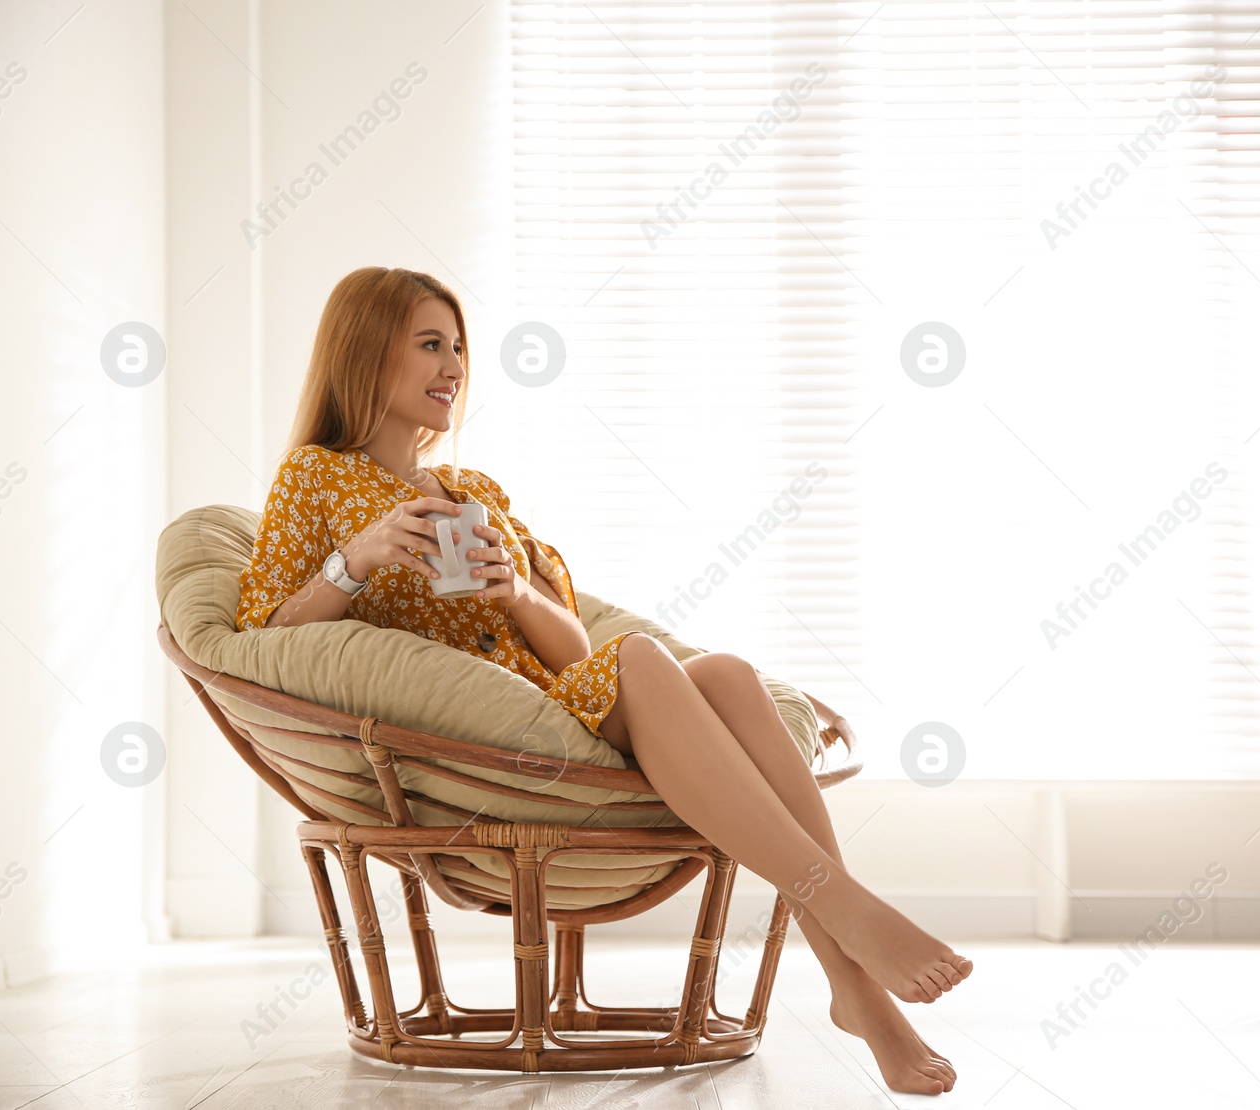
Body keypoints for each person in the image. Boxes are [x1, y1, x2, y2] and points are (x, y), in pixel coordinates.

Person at [236, 266, 972, 1095]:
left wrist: (511, 589)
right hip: (480, 741)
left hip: (550, 702)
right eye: (431, 346)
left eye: (459, 348)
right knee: (648, 662)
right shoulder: (315, 477)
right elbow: (266, 637)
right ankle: (847, 925)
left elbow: (570, 642)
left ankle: (855, 989)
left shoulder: (473, 492)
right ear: (367, 354)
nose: (454, 368)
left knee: (726, 672)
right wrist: (359, 559)